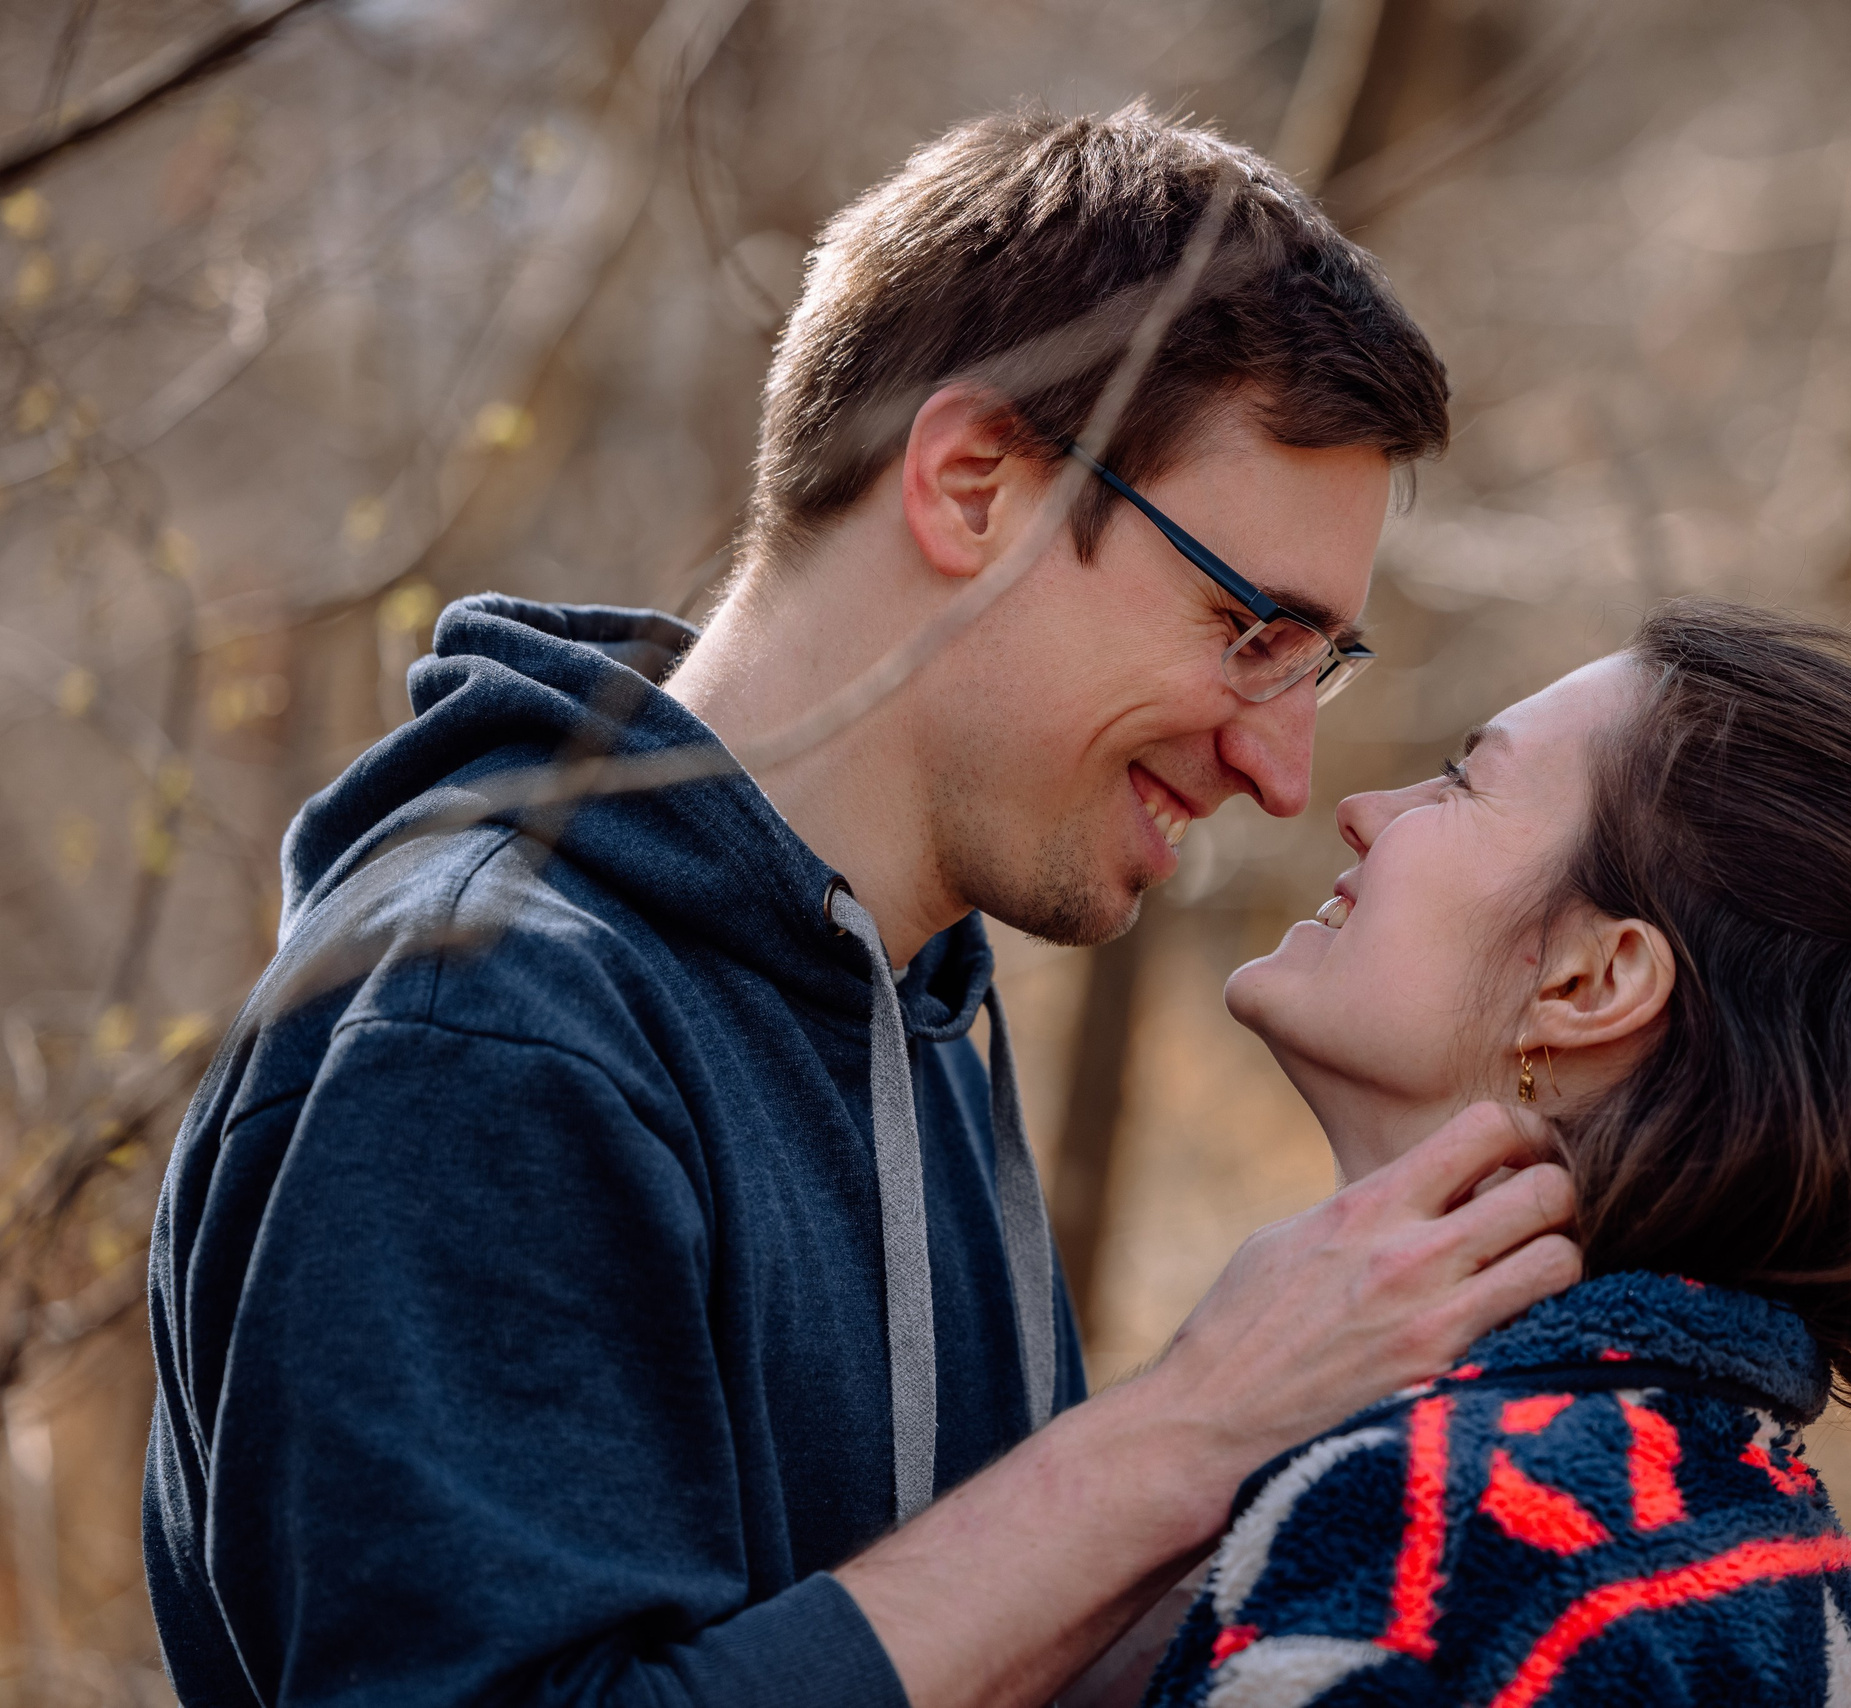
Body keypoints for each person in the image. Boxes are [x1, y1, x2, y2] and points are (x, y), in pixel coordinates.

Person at [142, 107, 1581, 1708]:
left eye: (1321, 664)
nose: (1283, 768)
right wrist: (1182, 1434)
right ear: (972, 485)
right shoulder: (487, 1028)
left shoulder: (918, 1003)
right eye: (1249, 628)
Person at [1147, 602, 1851, 1706]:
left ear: (1589, 984)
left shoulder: (1438, 1535)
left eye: (1460, 781)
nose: (1359, 808)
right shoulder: (1742, 1532)